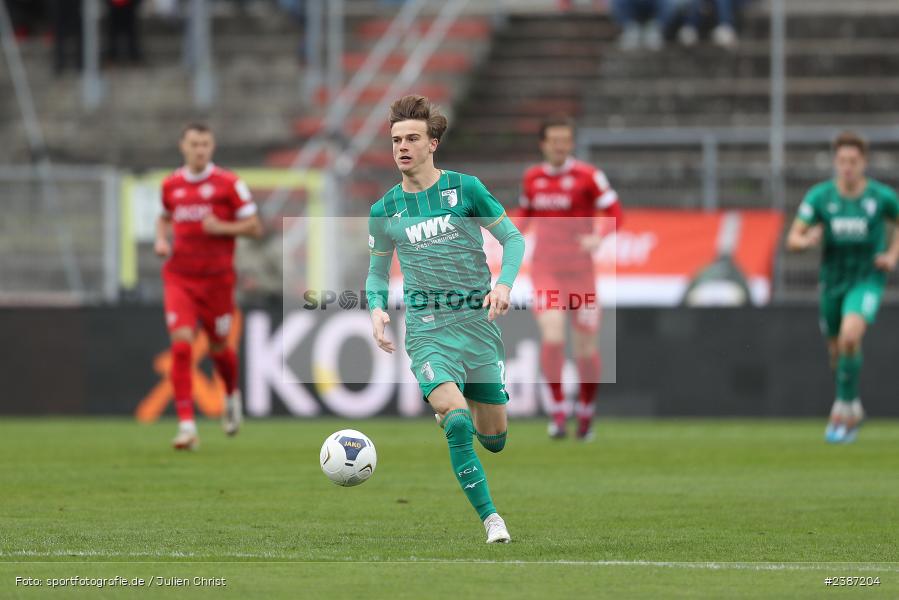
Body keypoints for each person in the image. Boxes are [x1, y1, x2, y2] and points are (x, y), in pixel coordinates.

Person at [366, 95, 525, 543]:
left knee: (494, 440)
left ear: (432, 143)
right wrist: (377, 309)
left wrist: (504, 284)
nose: (403, 146)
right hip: (427, 328)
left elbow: (512, 239)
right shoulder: (385, 210)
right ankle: (492, 520)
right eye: (397, 139)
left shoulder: (466, 189)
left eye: (412, 138)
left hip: (477, 325)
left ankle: (456, 412)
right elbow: (377, 272)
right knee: (457, 422)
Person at [155, 123, 263, 450]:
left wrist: (223, 227)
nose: (199, 149)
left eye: (204, 144)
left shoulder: (229, 184)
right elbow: (163, 216)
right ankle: (186, 426)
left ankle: (230, 395)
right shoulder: (171, 185)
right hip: (180, 278)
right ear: (182, 146)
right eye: (193, 144)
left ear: (211, 147)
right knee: (182, 345)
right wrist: (161, 239)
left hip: (217, 282)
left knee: (219, 348)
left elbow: (255, 227)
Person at [787, 131, 899, 444]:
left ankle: (841, 410)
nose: (847, 166)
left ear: (863, 162)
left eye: (853, 161)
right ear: (835, 163)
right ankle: (854, 405)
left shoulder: (880, 197)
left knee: (852, 335)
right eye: (842, 161)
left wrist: (891, 255)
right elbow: (792, 238)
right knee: (838, 351)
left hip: (866, 279)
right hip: (833, 283)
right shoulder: (821, 197)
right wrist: (806, 240)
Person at [518, 114, 623, 441]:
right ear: (543, 144)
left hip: (581, 274)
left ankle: (587, 411)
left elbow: (616, 212)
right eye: (554, 141)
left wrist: (600, 235)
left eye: (565, 140)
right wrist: (503, 235)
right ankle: (559, 411)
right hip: (546, 270)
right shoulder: (532, 178)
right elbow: (525, 217)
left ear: (571, 143)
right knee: (552, 335)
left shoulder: (588, 176)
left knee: (585, 348)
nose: (560, 146)